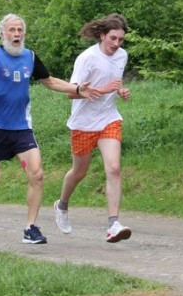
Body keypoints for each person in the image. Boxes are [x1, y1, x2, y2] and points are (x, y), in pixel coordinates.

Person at [0, 13, 102, 248]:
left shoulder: (30, 57)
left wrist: (78, 89)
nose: (17, 35)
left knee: (37, 174)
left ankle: (30, 228)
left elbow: (49, 81)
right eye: (12, 30)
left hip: (21, 128)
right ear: (2, 34)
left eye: (20, 30)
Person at [53, 14, 132, 243]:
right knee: (79, 172)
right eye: (113, 38)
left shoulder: (122, 56)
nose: (117, 44)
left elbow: (114, 81)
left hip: (109, 119)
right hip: (83, 124)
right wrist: (103, 89)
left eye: (121, 40)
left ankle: (113, 224)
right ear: (102, 36)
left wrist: (120, 91)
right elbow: (71, 92)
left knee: (114, 167)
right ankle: (62, 205)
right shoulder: (87, 58)